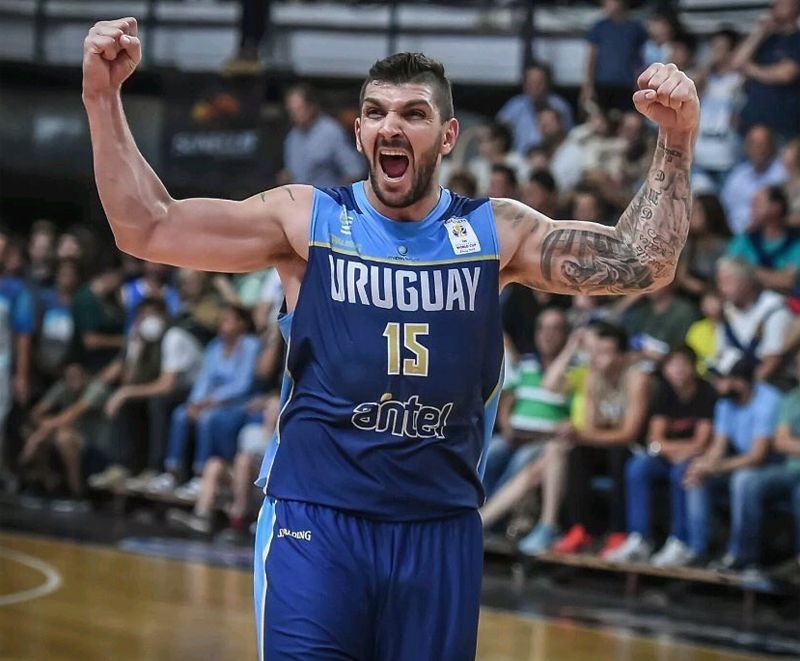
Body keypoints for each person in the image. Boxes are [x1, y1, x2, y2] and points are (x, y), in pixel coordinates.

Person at [83, 19, 698, 658]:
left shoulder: (494, 232)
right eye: (375, 113)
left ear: (449, 136)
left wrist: (677, 137)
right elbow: (147, 227)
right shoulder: (308, 219)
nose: (391, 126)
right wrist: (101, 97)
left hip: (438, 530)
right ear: (359, 133)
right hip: (316, 523)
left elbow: (643, 261)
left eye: (414, 113)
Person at [606, 346, 716, 565]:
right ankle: (640, 538)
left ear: (694, 367)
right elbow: (654, 440)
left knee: (680, 472)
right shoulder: (664, 393)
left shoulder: (706, 393)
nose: (678, 370)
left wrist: (672, 450)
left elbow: (701, 443)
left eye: (683, 364)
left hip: (696, 458)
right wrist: (671, 450)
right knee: (638, 466)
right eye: (672, 365)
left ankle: (679, 541)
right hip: (668, 456)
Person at [552, 322, 650, 557]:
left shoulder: (637, 378)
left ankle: (618, 532)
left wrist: (589, 433)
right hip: (608, 442)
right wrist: (582, 433)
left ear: (623, 357)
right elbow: (589, 426)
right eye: (595, 352)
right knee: (576, 453)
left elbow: (630, 433)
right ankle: (580, 529)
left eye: (605, 353)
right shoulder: (592, 377)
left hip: (638, 448)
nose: (597, 359)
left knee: (618, 454)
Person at [683, 358, 783, 570]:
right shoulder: (725, 402)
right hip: (743, 462)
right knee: (696, 472)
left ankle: (741, 555)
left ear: (741, 381)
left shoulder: (768, 400)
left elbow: (758, 456)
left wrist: (717, 467)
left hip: (774, 467)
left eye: (722, 379)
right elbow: (718, 447)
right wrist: (703, 465)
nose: (717, 384)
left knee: (742, 480)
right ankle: (698, 550)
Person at [732, 353, 800, 581]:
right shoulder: (791, 400)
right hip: (788, 470)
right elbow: (780, 442)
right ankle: (745, 559)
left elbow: (786, 442)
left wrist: (792, 443)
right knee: (746, 480)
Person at [714, 257, 793, 382]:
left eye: (728, 281)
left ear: (747, 281)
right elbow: (721, 353)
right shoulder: (725, 311)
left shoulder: (773, 308)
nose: (722, 288)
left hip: (772, 382)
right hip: (735, 378)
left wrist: (747, 387)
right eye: (720, 281)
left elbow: (772, 361)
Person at [732, 0, 800, 142]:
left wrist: (750, 68)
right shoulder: (766, 39)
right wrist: (760, 31)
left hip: (780, 128)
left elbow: (786, 74)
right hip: (750, 124)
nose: (776, 4)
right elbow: (736, 63)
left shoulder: (796, 40)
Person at [278, 83, 364, 188]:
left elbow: (354, 170)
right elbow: (293, 171)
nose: (294, 115)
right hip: (299, 196)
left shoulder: (331, 132)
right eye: (291, 111)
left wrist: (337, 194)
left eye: (299, 109)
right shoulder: (292, 136)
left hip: (325, 194)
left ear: (311, 107)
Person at [693, 28, 743, 188]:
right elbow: (691, 89)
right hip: (701, 156)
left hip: (727, 158)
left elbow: (742, 62)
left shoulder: (739, 79)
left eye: (722, 48)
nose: (716, 53)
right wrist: (708, 65)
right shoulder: (706, 80)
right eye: (714, 47)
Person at [726, 185, 800, 293]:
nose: (752, 209)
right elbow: (727, 271)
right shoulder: (744, 239)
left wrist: (747, 270)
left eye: (757, 204)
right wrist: (773, 277)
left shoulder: (795, 241)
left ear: (775, 207)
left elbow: (788, 281)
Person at [582, 0, 648, 113]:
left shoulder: (636, 28)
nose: (607, 4)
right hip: (603, 83)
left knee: (630, 118)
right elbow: (591, 59)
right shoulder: (599, 27)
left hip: (627, 84)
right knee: (599, 117)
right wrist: (588, 86)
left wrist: (639, 83)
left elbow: (641, 58)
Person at [721, 125, 787, 235]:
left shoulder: (782, 175)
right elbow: (724, 208)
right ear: (746, 147)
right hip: (733, 235)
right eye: (752, 144)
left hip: (766, 235)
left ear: (772, 146)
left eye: (762, 144)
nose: (757, 148)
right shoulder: (737, 176)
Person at [497, 61, 574, 155]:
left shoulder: (560, 106)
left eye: (539, 83)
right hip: (521, 158)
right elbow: (498, 133)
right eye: (530, 83)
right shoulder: (515, 106)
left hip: (549, 158)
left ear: (547, 84)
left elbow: (568, 137)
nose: (534, 87)